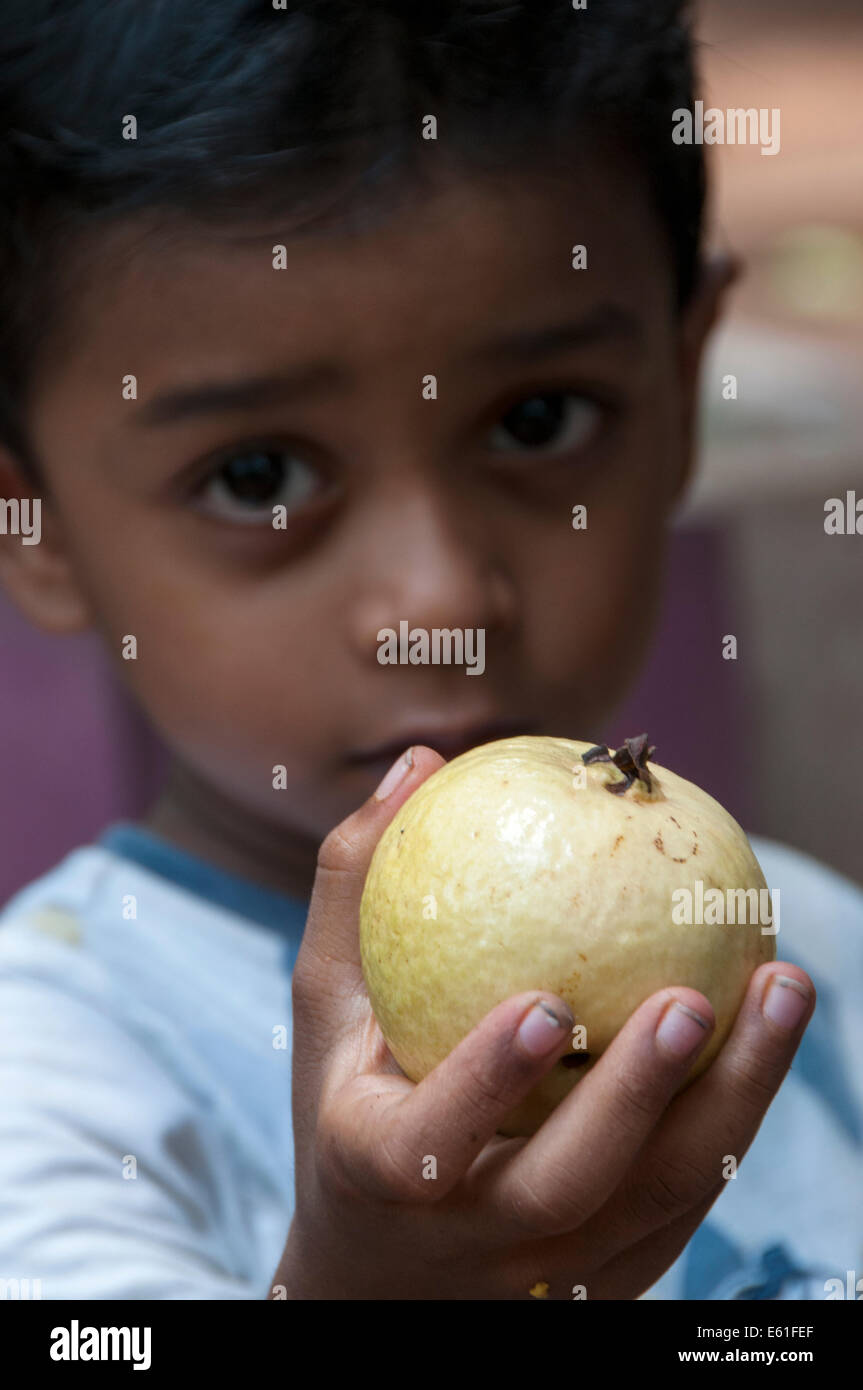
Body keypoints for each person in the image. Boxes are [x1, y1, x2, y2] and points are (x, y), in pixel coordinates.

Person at [0, 0, 858, 1301]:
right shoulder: (50, 1077)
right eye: (256, 473)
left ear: (686, 390)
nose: (440, 595)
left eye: (537, 420)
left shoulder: (807, 946)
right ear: (35, 525)